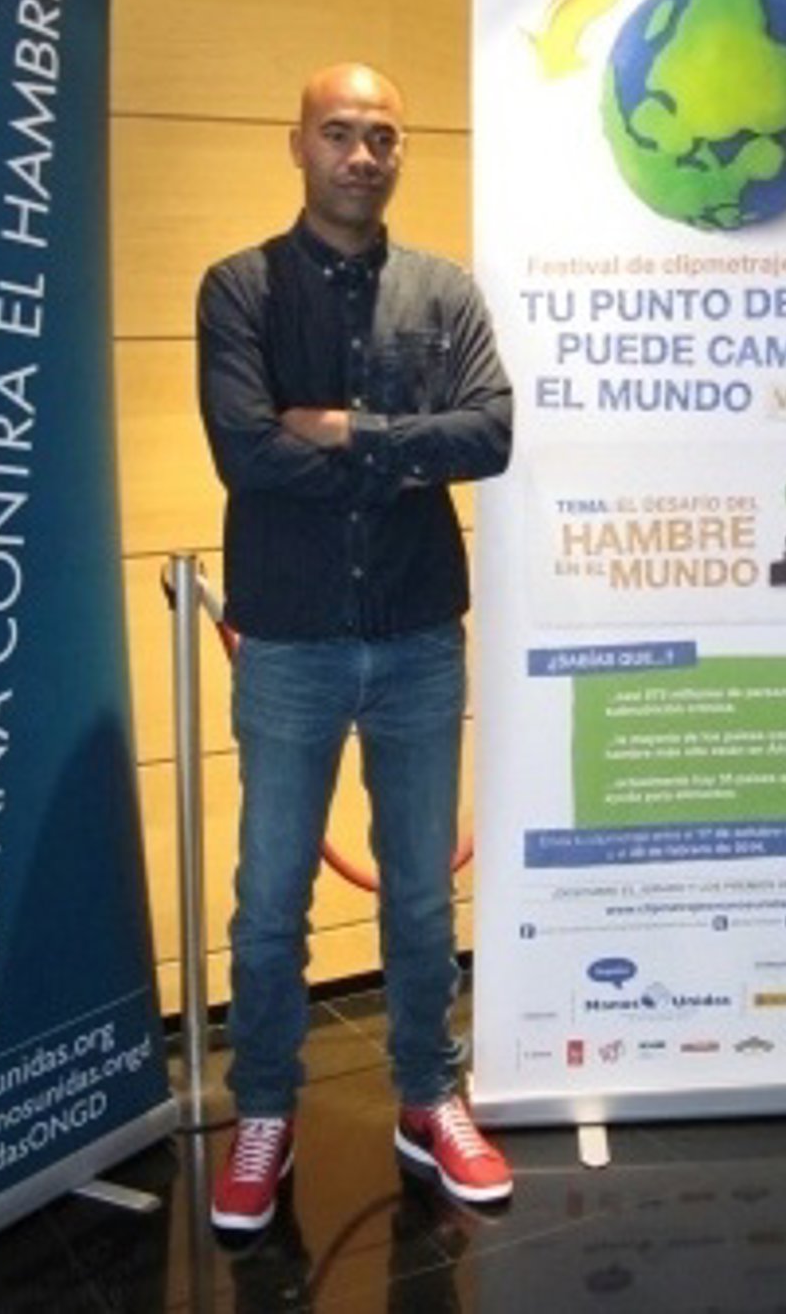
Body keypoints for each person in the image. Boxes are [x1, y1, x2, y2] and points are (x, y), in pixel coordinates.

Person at [197, 61, 514, 1234]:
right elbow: (246, 451)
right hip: (288, 641)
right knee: (270, 900)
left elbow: (492, 432)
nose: (363, 154)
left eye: (383, 135)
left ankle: (429, 1095)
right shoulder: (239, 289)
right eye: (339, 132)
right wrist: (408, 452)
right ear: (299, 144)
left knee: (422, 897)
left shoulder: (444, 290)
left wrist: (344, 430)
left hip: (420, 632)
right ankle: (263, 1108)